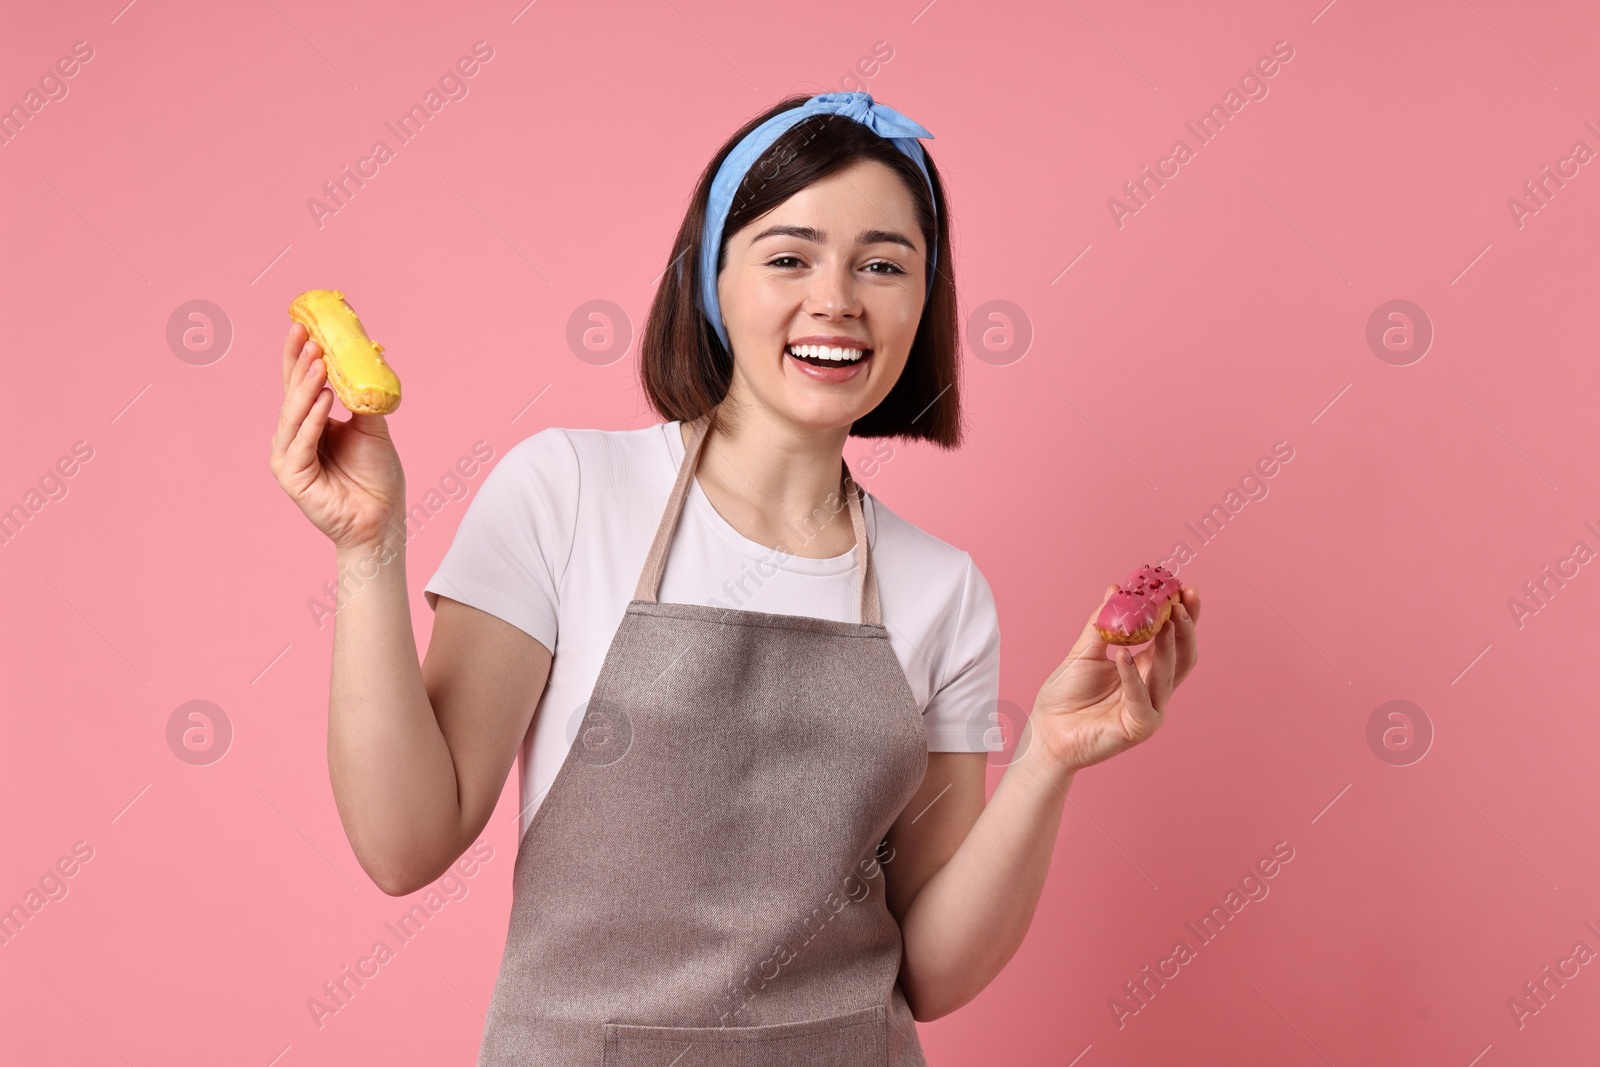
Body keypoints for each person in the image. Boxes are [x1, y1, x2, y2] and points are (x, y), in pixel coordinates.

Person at [268, 90, 1201, 1066]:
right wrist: (368, 550)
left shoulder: (942, 588)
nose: (836, 296)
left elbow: (930, 970)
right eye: (788, 256)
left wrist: (1048, 756)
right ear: (711, 280)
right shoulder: (569, 490)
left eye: (883, 263)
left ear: (925, 302)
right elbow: (404, 841)